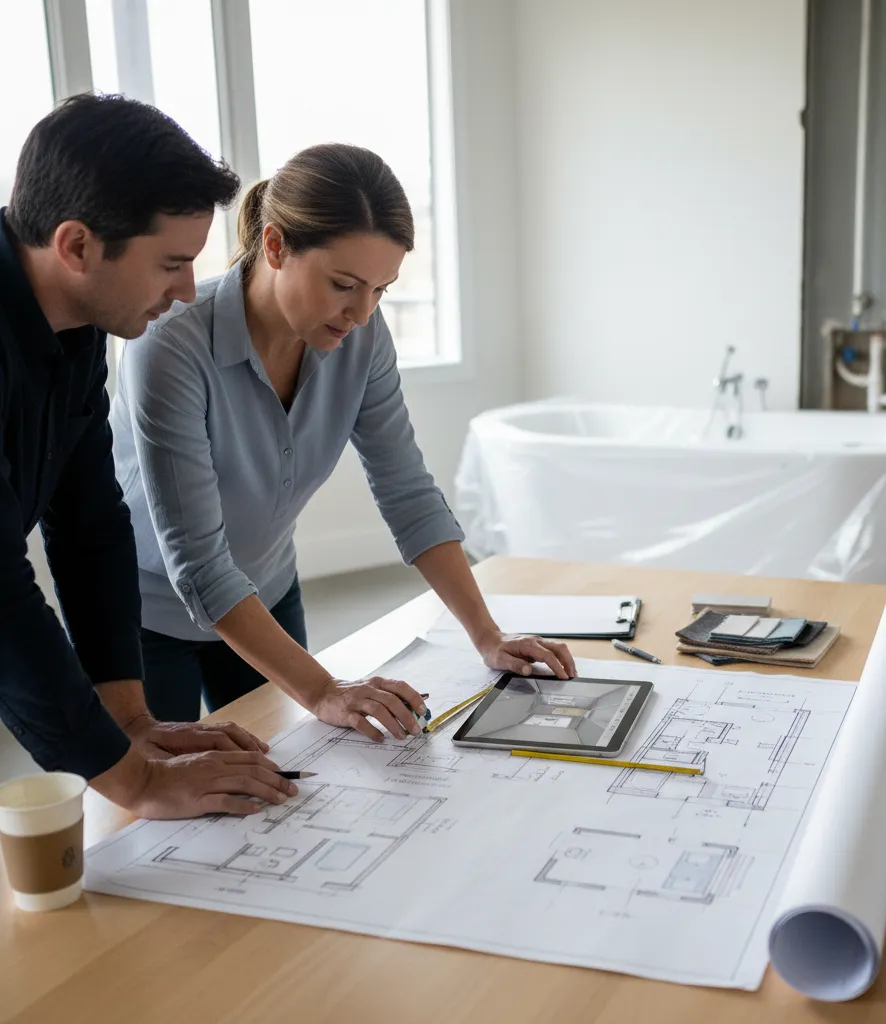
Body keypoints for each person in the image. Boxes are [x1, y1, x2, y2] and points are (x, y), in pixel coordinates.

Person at [112, 143, 576, 737]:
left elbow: (407, 489)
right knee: (154, 809)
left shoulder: (361, 336)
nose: (361, 313)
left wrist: (488, 635)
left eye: (381, 289)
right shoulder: (170, 344)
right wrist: (324, 689)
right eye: (343, 284)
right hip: (147, 618)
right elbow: (199, 563)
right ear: (276, 246)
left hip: (265, 592)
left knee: (284, 781)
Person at [0, 94, 296, 817]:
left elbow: (92, 522)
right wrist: (133, 780)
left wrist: (130, 720)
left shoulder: (77, 325)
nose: (189, 290)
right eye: (171, 263)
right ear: (76, 246)